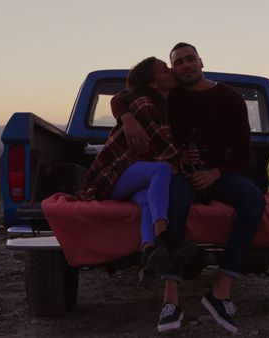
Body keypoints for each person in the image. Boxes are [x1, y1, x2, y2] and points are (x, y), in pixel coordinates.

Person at [116, 43, 266, 334]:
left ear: (201, 61)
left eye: (189, 59)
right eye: (178, 62)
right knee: (175, 202)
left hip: (217, 173)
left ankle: (221, 291)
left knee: (254, 200)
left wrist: (215, 172)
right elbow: (123, 99)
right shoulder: (169, 95)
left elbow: (243, 153)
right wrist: (128, 118)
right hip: (179, 173)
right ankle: (170, 298)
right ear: (173, 69)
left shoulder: (230, 98)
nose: (185, 66)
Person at [76, 56, 196, 275]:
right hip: (114, 173)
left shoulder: (164, 101)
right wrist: (181, 159)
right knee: (162, 169)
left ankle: (149, 251)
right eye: (164, 70)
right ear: (153, 83)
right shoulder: (144, 104)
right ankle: (162, 236)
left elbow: (120, 100)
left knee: (147, 200)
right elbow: (162, 152)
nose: (170, 71)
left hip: (134, 175)